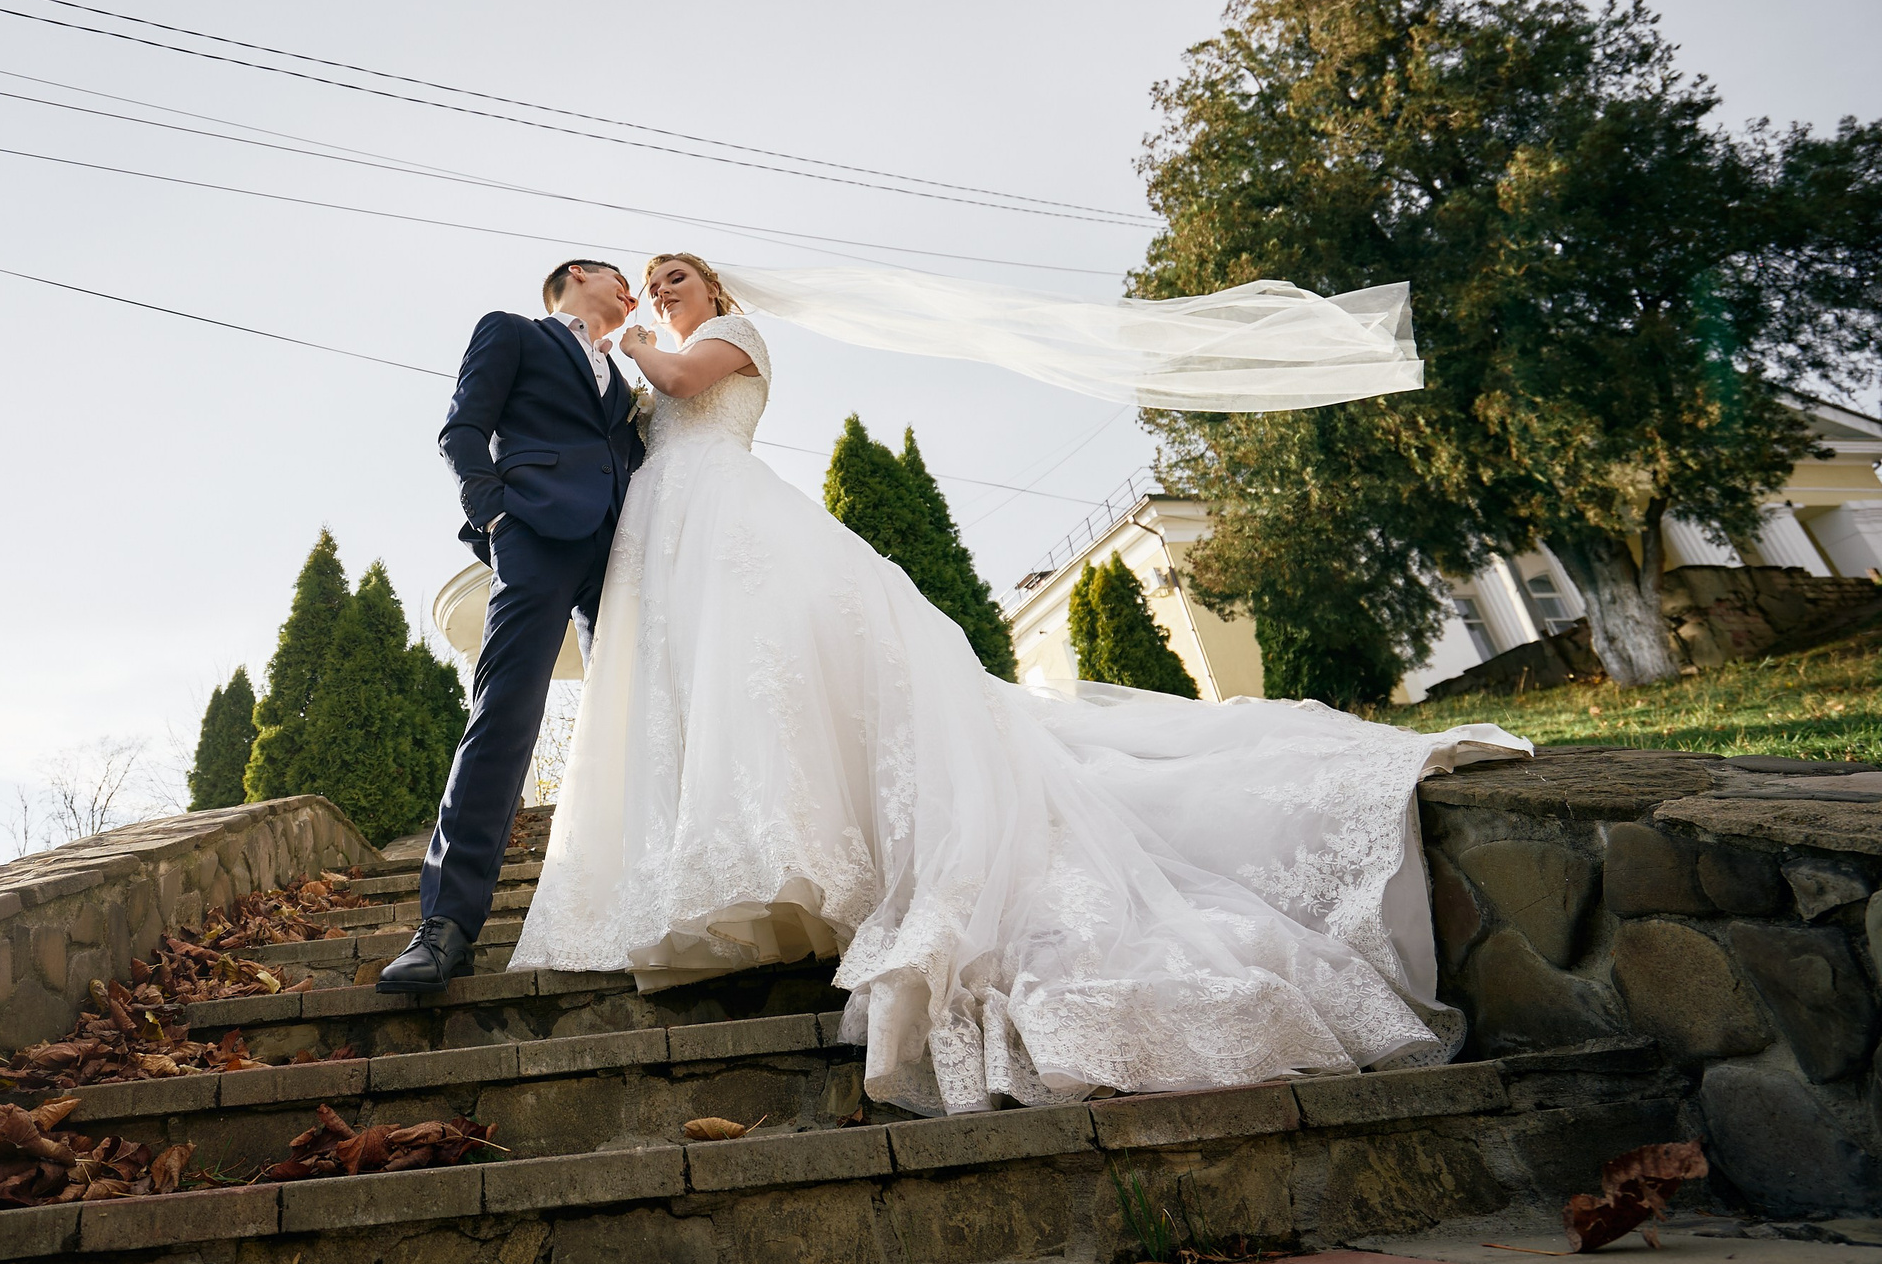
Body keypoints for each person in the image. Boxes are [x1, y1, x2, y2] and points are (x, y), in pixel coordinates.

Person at [507, 251, 1526, 1114]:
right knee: (717, 700)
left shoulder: (726, 341)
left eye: (674, 273)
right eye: (651, 279)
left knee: (778, 679)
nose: (661, 284)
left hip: (732, 519)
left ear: (712, 288)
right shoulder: (649, 364)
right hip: (669, 534)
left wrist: (627, 343)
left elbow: (685, 387)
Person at [380, 260, 646, 993]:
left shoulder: (624, 379)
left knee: (626, 718)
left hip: (620, 551)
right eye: (621, 275)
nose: (633, 291)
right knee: (504, 713)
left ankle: (633, 903)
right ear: (579, 275)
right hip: (533, 531)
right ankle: (445, 926)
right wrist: (494, 515)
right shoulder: (513, 332)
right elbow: (462, 428)